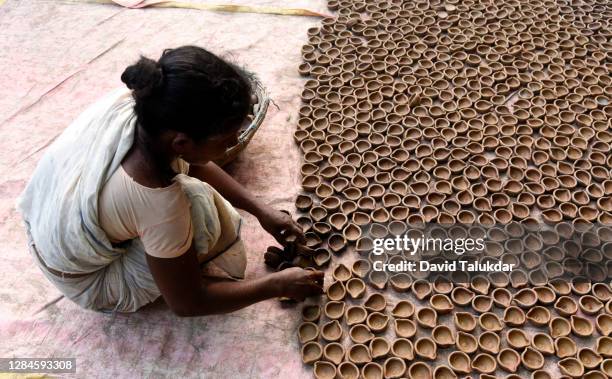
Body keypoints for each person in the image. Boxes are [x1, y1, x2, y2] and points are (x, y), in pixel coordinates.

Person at [16, 46, 323, 315]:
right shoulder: (157, 199)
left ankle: (157, 251)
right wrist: (273, 285)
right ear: (181, 143)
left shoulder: (145, 103)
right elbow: (189, 304)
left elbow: (194, 161)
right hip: (89, 279)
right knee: (198, 207)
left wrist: (260, 210)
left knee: (182, 202)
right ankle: (153, 270)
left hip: (48, 227)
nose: (233, 145)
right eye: (227, 139)